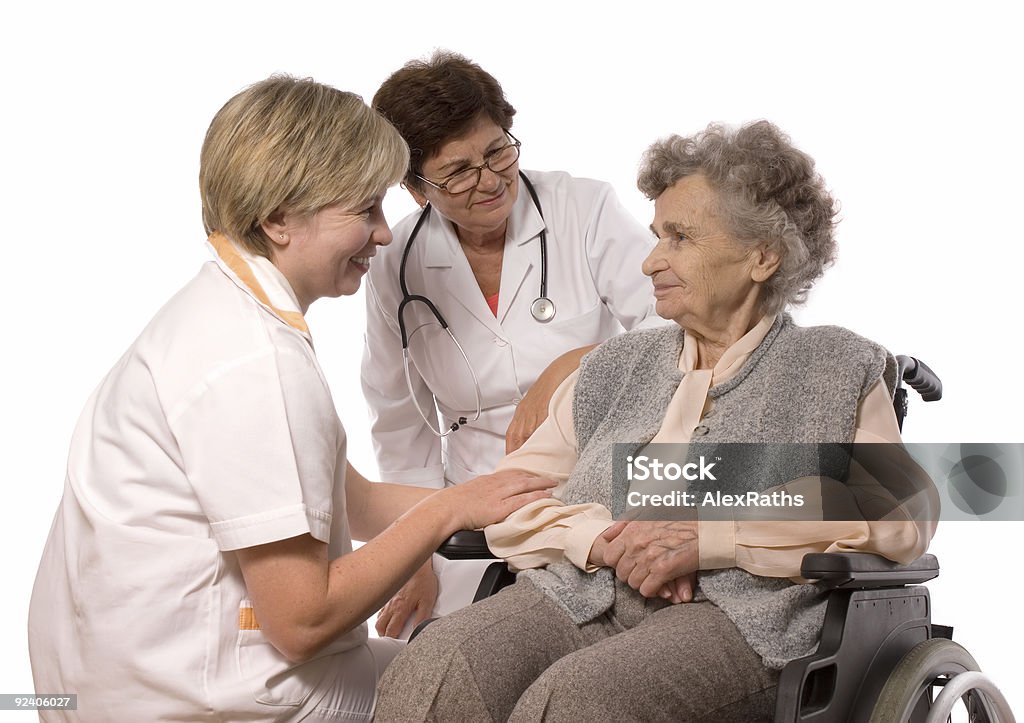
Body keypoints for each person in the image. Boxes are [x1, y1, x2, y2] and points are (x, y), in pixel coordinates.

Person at [27, 76, 554, 723]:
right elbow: (300, 623)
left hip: (117, 674)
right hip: (205, 697)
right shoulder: (256, 364)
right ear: (278, 217)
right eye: (364, 210)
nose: (385, 234)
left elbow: (351, 499)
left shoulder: (221, 309)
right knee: (507, 687)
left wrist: (532, 507)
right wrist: (445, 513)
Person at [373, 120, 940, 722]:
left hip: (739, 614)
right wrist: (604, 541)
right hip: (581, 588)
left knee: (584, 700)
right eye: (655, 236)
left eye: (679, 238)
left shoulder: (834, 364)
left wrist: (709, 538)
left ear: (761, 256)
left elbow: (900, 512)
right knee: (438, 666)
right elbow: (506, 497)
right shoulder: (615, 365)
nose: (649, 262)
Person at [362, 51, 667, 637]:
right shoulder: (392, 261)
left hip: (588, 486)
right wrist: (416, 552)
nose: (490, 179)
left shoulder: (583, 208)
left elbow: (680, 324)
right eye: (457, 172)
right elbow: (399, 423)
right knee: (436, 655)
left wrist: (574, 365)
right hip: (468, 507)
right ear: (414, 188)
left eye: (497, 150)